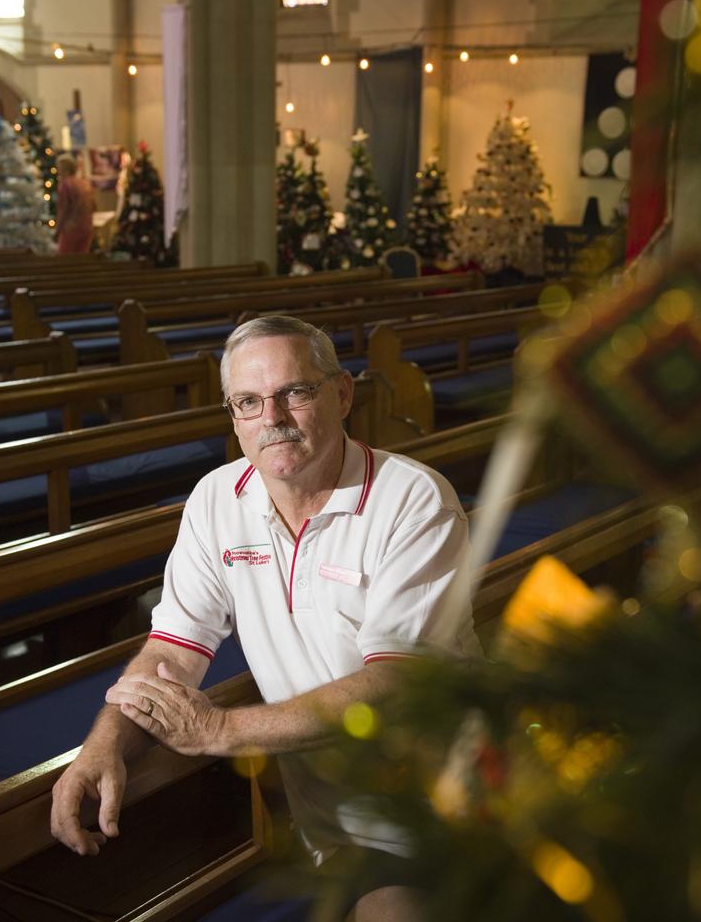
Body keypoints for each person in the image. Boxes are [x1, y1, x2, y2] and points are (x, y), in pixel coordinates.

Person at [51, 315, 479, 920]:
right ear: (232, 416)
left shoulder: (411, 500)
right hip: (330, 824)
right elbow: (172, 651)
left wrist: (219, 731)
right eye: (248, 402)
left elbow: (394, 686)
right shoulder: (217, 500)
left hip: (442, 809)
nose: (271, 418)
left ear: (342, 393)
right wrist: (104, 745)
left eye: (295, 393)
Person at [54, 153, 95, 254]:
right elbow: (93, 206)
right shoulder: (85, 183)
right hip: (87, 226)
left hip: (71, 228)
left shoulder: (65, 185)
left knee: (66, 260)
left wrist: (57, 231)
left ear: (65, 169)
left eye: (59, 168)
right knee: (81, 259)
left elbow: (64, 209)